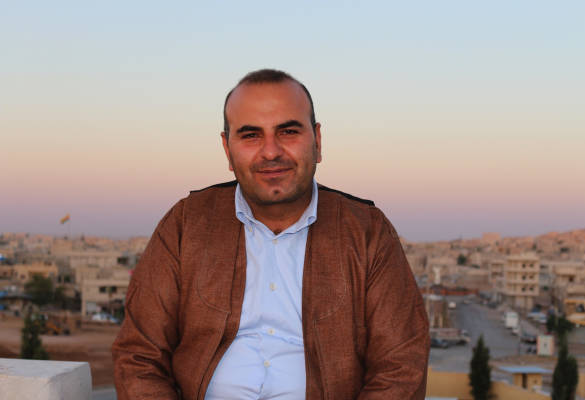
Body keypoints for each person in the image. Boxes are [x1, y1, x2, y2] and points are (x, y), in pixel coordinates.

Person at [112, 69, 429, 399]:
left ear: (317, 141)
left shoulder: (366, 230)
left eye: (288, 131)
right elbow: (139, 355)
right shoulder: (187, 223)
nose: (271, 152)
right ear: (227, 149)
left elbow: (401, 364)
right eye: (251, 135)